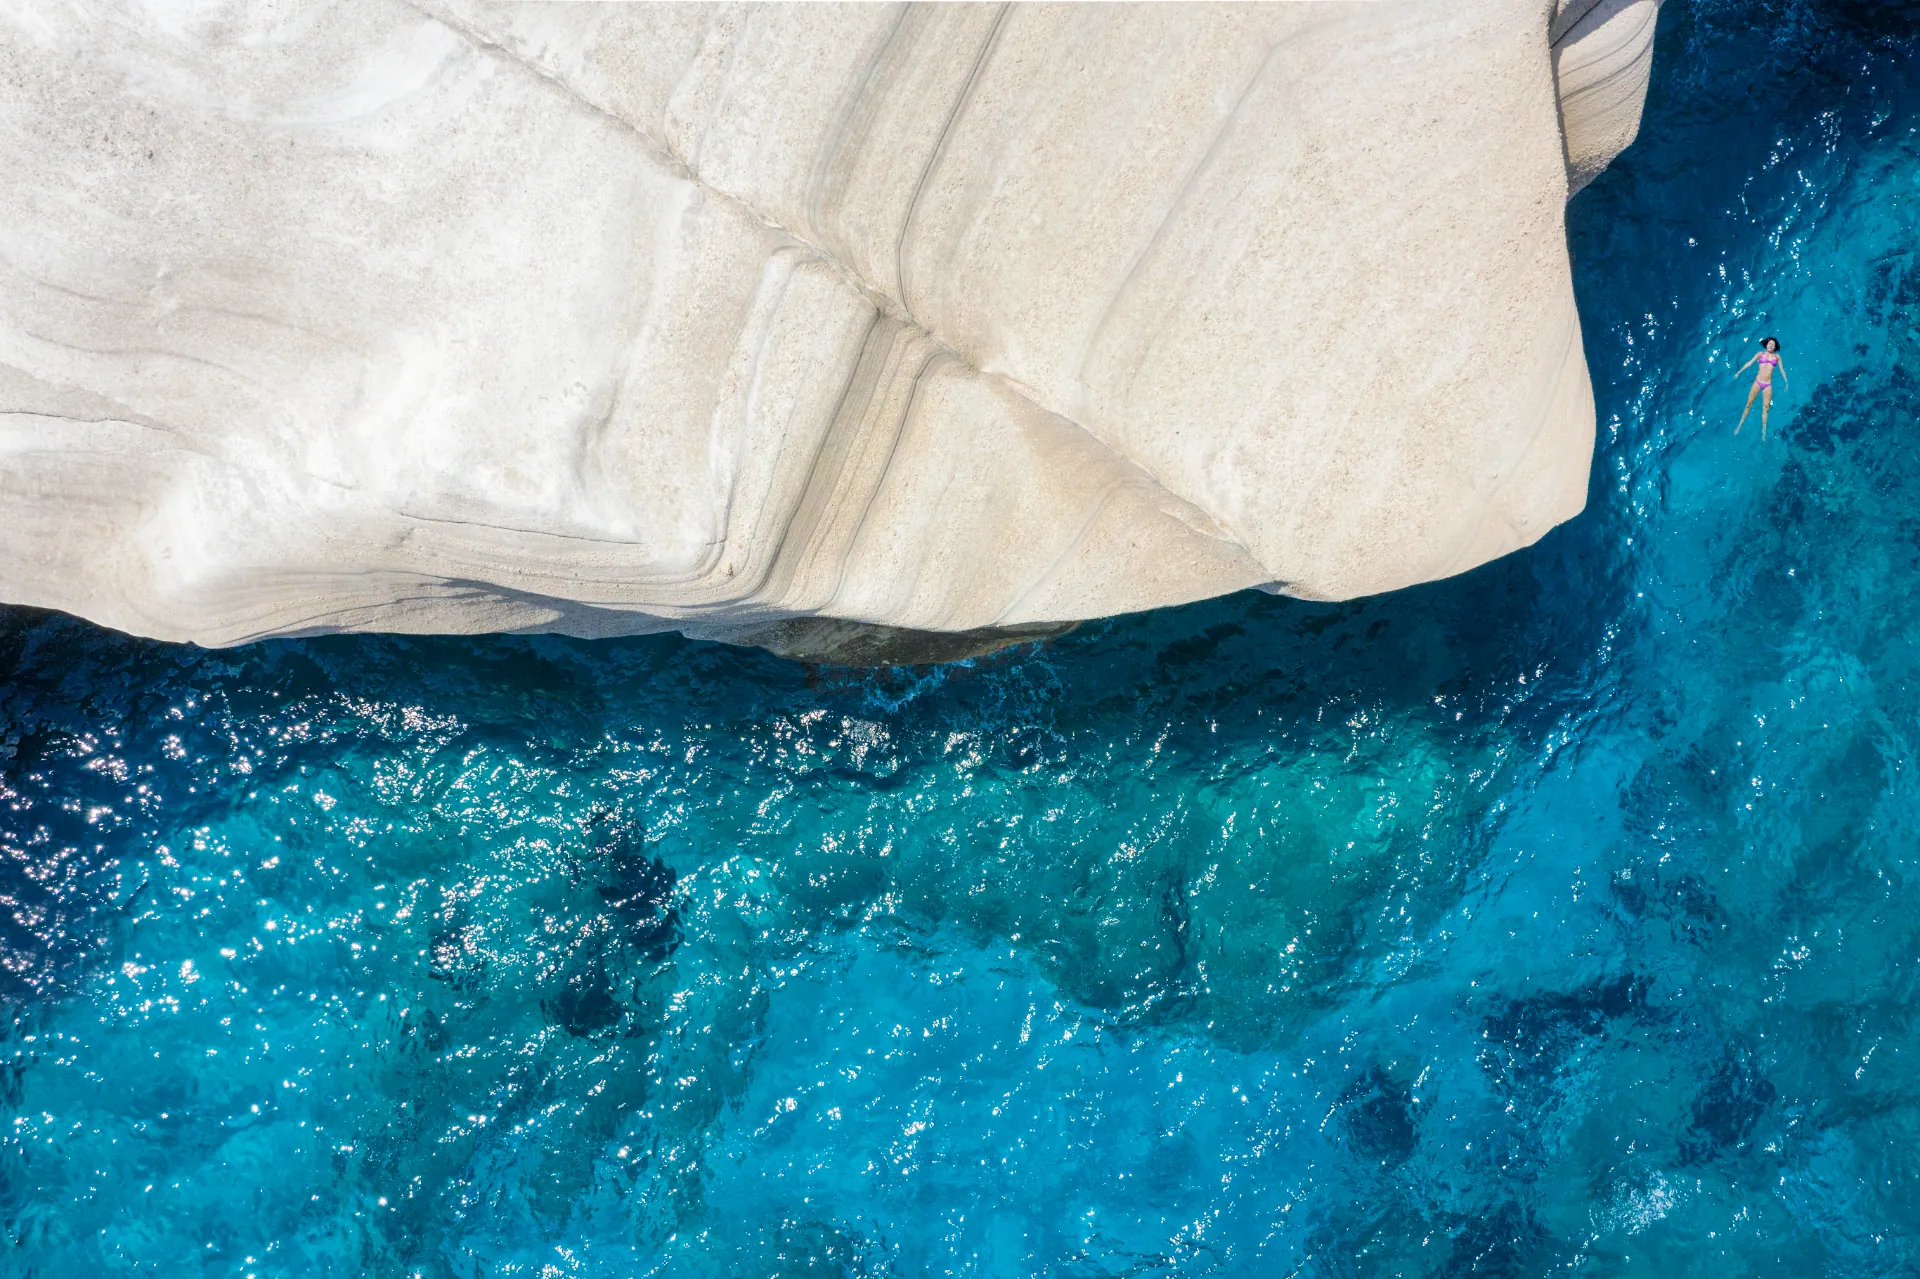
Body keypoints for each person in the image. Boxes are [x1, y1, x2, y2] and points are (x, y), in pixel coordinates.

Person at [1734, 337, 1788, 438]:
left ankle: (1763, 431)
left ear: (1775, 347)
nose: (1771, 345)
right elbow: (1749, 363)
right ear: (1766, 344)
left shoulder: (1777, 357)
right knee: (1748, 404)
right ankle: (1739, 426)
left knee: (1766, 408)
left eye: (1773, 344)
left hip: (1768, 385)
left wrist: (1786, 382)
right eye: (1770, 343)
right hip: (1758, 382)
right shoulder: (1760, 354)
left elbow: (1782, 369)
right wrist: (1739, 372)